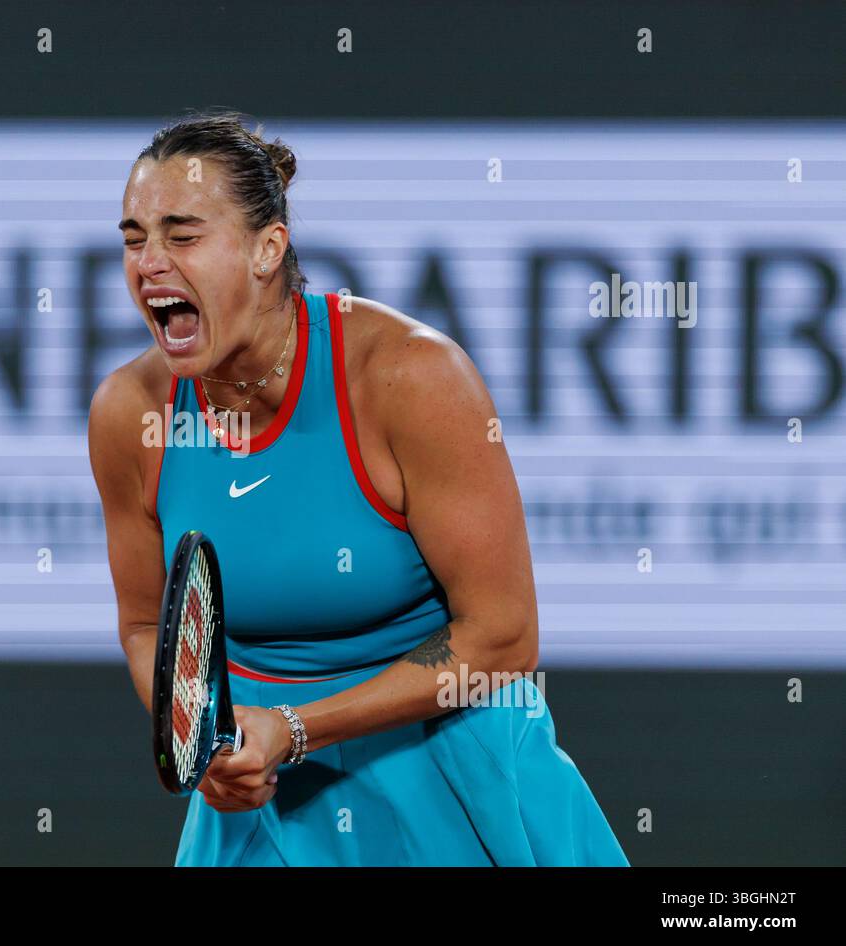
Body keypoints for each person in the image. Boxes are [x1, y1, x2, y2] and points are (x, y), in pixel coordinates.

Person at [88, 110, 629, 866]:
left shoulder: (412, 377)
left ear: (265, 249)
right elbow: (148, 625)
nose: (149, 263)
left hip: (454, 773)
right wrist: (199, 735)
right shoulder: (130, 414)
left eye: (182, 236)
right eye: (134, 238)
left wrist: (297, 726)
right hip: (266, 798)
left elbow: (502, 637)